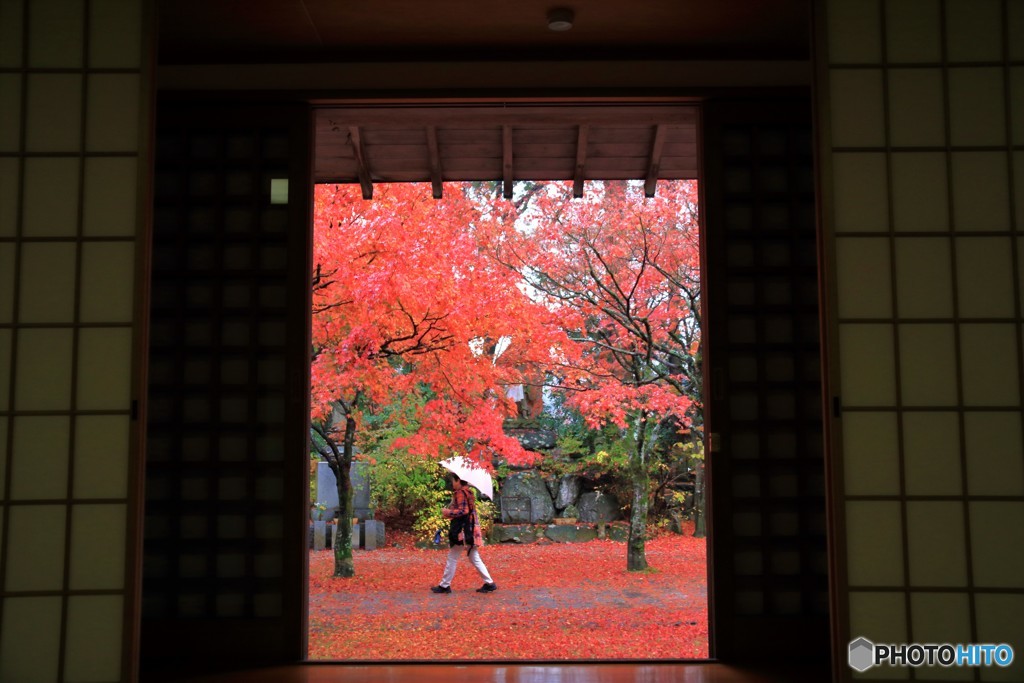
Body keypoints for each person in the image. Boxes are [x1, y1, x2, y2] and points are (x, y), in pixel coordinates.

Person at [430, 474, 498, 594]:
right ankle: (489, 583)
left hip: (462, 531)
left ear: (459, 481)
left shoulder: (460, 493)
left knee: (453, 557)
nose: (452, 483)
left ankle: (445, 585)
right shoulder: (469, 493)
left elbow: (463, 511)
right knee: (473, 556)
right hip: (470, 528)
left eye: (453, 481)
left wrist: (448, 512)